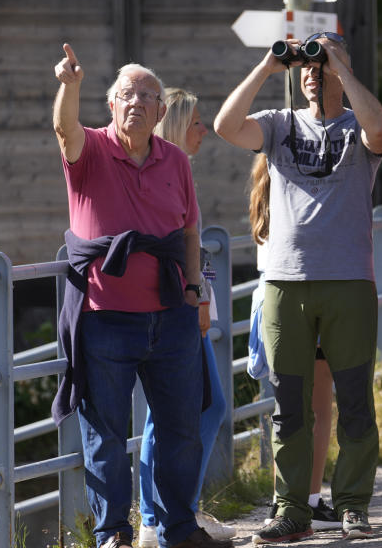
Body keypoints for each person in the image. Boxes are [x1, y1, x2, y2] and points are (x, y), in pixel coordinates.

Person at [213, 32, 382, 543]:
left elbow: (381, 129)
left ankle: (353, 504)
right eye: (307, 68)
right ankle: (292, 509)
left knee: (355, 399)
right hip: (285, 284)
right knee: (288, 405)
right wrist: (269, 67)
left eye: (323, 65)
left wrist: (340, 65)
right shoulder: (278, 125)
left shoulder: (359, 126)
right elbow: (226, 126)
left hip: (349, 282)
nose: (312, 73)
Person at [50, 45, 231, 548]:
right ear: (111, 105)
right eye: (127, 94)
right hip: (106, 316)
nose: (137, 103)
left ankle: (178, 528)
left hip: (171, 313)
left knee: (181, 428)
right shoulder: (88, 151)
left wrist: (195, 290)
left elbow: (190, 229)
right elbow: (64, 129)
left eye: (148, 97)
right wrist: (70, 85)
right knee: (104, 433)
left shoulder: (174, 159)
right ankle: (113, 535)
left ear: (160, 111)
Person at [137, 89, 237, 547]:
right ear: (177, 125)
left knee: (187, 410)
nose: (206, 130)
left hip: (184, 299)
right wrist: (195, 298)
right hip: (171, 303)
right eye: (197, 121)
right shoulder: (166, 171)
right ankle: (162, 518)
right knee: (184, 410)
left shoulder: (178, 169)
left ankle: (169, 515)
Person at [247, 153, 342, 532]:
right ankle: (312, 501)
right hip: (308, 294)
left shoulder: (263, 192)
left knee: (287, 410)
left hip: (272, 302)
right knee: (319, 409)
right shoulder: (299, 194)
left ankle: (281, 499)